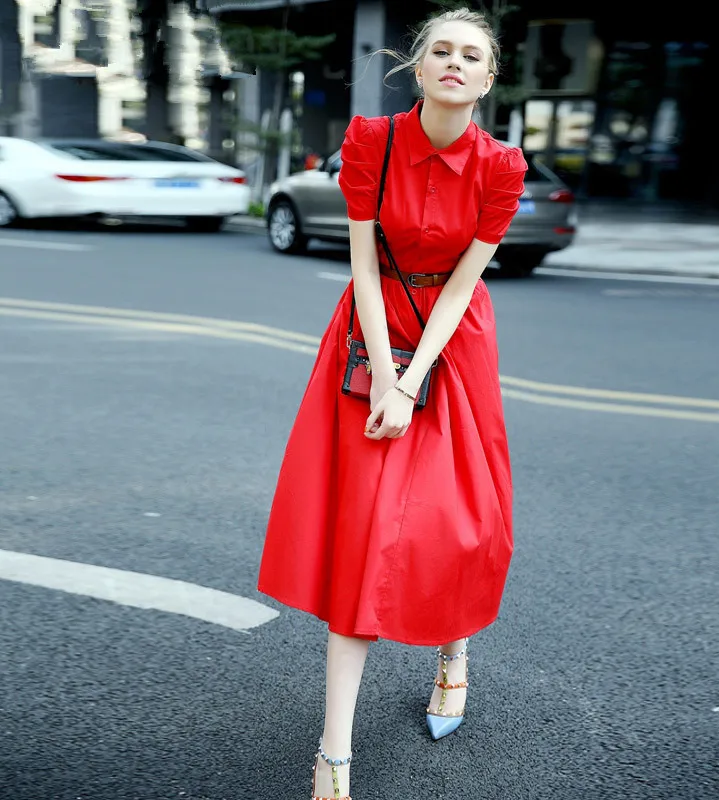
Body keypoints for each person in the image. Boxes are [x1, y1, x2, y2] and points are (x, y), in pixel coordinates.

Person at [257, 7, 526, 799]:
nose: (453, 61)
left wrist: (413, 380)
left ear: (487, 76)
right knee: (364, 532)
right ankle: (333, 757)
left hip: (453, 336)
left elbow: (466, 284)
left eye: (469, 54)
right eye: (439, 49)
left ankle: (454, 651)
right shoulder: (372, 140)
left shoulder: (502, 166)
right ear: (418, 66)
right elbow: (364, 264)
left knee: (463, 519)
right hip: (369, 331)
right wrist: (382, 369)